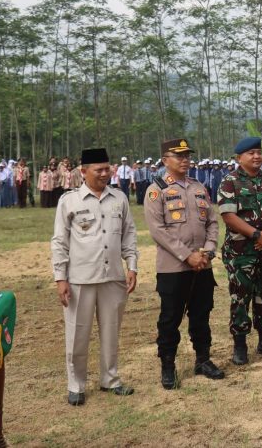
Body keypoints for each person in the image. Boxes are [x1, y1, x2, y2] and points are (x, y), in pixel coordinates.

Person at [50, 147, 139, 406]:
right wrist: (60, 278)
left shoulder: (119, 198)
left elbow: (128, 234)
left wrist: (132, 265)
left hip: (113, 278)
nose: (104, 173)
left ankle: (110, 379)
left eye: (107, 168)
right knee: (77, 334)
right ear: (83, 171)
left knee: (111, 332)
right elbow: (59, 241)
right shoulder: (69, 201)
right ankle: (76, 384)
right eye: (98, 169)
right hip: (80, 278)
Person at [144, 138, 224, 389]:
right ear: (165, 160)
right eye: (178, 156)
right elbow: (158, 230)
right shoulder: (156, 190)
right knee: (170, 318)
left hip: (202, 265)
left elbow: (212, 222)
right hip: (174, 268)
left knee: (201, 314)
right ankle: (168, 365)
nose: (185, 159)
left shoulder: (199, 187)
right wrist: (187, 255)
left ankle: (203, 359)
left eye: (187, 155)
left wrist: (209, 251)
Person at [218, 137, 262, 365]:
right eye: (251, 153)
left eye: (259, 152)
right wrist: (257, 235)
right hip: (241, 252)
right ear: (239, 158)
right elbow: (228, 216)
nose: (257, 156)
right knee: (240, 297)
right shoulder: (230, 182)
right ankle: (240, 346)